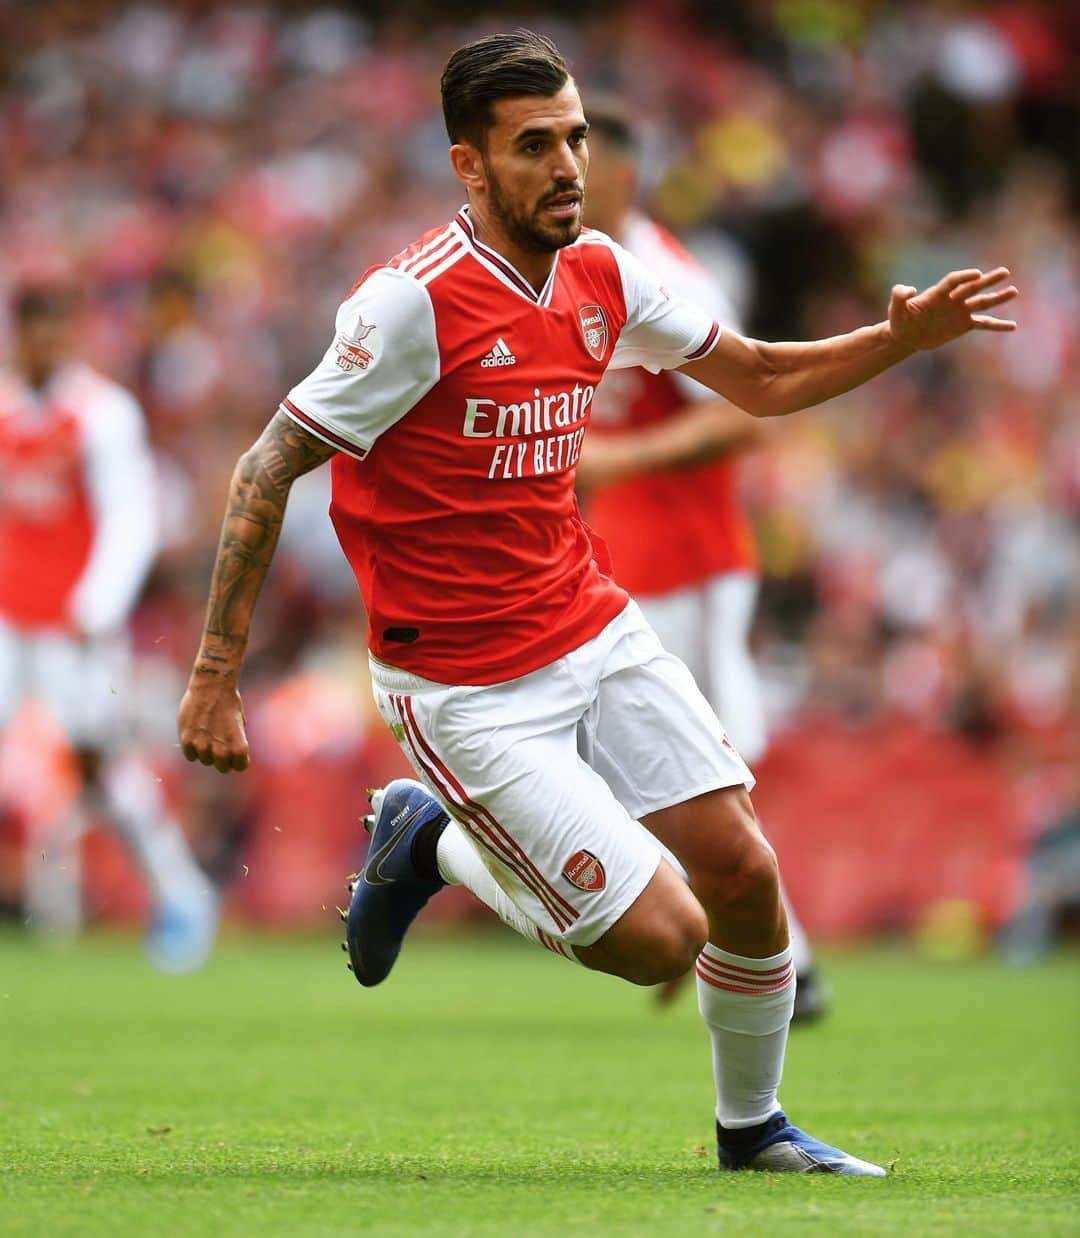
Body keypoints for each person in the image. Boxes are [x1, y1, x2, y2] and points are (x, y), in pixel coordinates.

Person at [178, 31, 1016, 1174]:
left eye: (575, 136)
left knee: (745, 874)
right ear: (469, 166)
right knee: (663, 942)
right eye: (535, 146)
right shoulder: (411, 304)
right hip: (462, 681)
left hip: (589, 620)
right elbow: (269, 463)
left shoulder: (605, 275)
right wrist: (214, 674)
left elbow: (760, 379)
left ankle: (753, 1127)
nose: (568, 163)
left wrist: (897, 339)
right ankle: (429, 841)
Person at [576, 107, 827, 1020]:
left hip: (691, 550)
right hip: (629, 551)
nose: (561, 173)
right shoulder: (573, 267)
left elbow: (743, 407)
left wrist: (615, 463)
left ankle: (781, 959)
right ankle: (759, 946)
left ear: (624, 178)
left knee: (705, 761)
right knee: (667, 762)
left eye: (578, 155)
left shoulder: (664, 274)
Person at [1, 285, 218, 972]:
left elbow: (131, 516)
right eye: (33, 330)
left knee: (95, 768)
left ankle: (182, 894)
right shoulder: (5, 407)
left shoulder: (101, 413)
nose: (44, 344)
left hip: (74, 623)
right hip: (8, 617)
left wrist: (97, 604)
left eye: (54, 330)